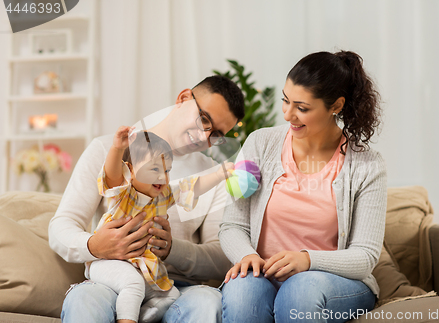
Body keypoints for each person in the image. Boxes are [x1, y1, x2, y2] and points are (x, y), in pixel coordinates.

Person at [49, 75, 245, 323]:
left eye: (216, 133)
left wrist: (172, 250)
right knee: (84, 299)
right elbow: (60, 226)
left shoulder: (212, 177)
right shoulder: (109, 151)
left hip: (173, 288)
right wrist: (94, 246)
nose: (204, 135)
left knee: (208, 302)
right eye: (204, 119)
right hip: (113, 278)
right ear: (183, 98)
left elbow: (221, 260)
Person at [219, 51, 387, 323]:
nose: (288, 115)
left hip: (330, 283)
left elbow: (365, 256)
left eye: (302, 108)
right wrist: (247, 255)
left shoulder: (367, 164)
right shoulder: (259, 144)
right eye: (285, 101)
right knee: (242, 291)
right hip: (264, 275)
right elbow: (232, 225)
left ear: (336, 106)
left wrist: (307, 261)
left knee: (299, 290)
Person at [88, 126, 233, 323]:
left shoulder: (163, 195)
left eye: (167, 170)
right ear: (130, 170)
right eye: (155, 169)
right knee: (133, 284)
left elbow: (192, 187)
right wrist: (116, 149)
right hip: (109, 264)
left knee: (171, 295)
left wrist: (220, 174)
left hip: (143, 267)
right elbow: (111, 175)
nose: (163, 178)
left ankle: (143, 316)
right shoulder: (123, 192)